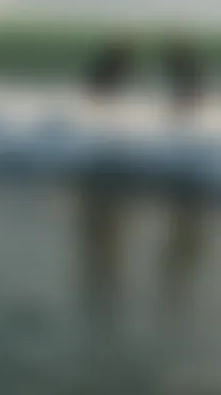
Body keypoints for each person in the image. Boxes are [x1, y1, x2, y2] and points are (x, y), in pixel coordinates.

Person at [77, 38, 136, 332]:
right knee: (102, 232)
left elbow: (103, 77)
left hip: (102, 87)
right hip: (102, 87)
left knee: (101, 232)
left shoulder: (114, 59)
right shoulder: (113, 59)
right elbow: (102, 76)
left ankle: (102, 121)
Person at [160, 38, 206, 327]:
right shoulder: (185, 63)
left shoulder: (184, 64)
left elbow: (189, 80)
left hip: (188, 89)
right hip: (188, 89)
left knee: (183, 103)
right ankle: (183, 123)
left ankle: (184, 124)